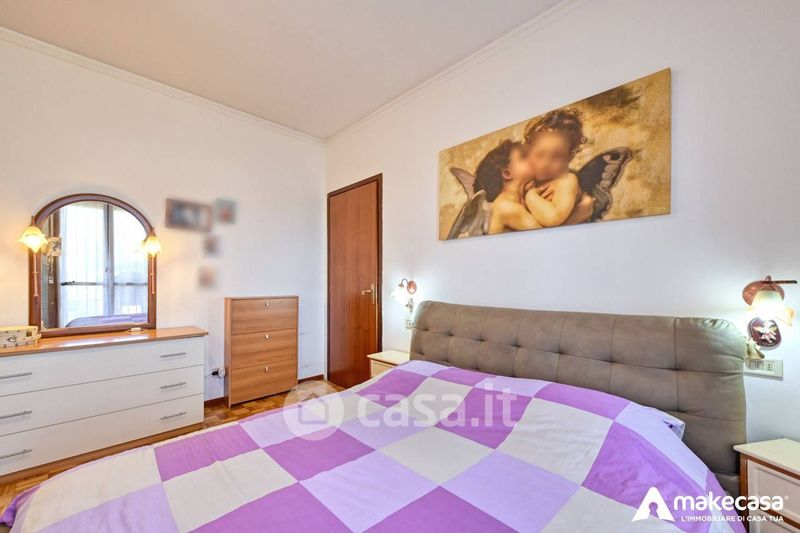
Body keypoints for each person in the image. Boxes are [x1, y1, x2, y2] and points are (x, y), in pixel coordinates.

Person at [523, 109, 593, 226]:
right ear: (528, 150)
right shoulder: (529, 179)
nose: (546, 163)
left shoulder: (567, 181)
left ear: (570, 156)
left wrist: (530, 196)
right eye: (540, 154)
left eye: (557, 156)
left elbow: (553, 219)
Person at [472, 139, 542, 234]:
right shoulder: (506, 207)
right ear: (507, 173)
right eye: (523, 157)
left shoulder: (512, 203)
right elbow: (546, 235)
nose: (531, 159)